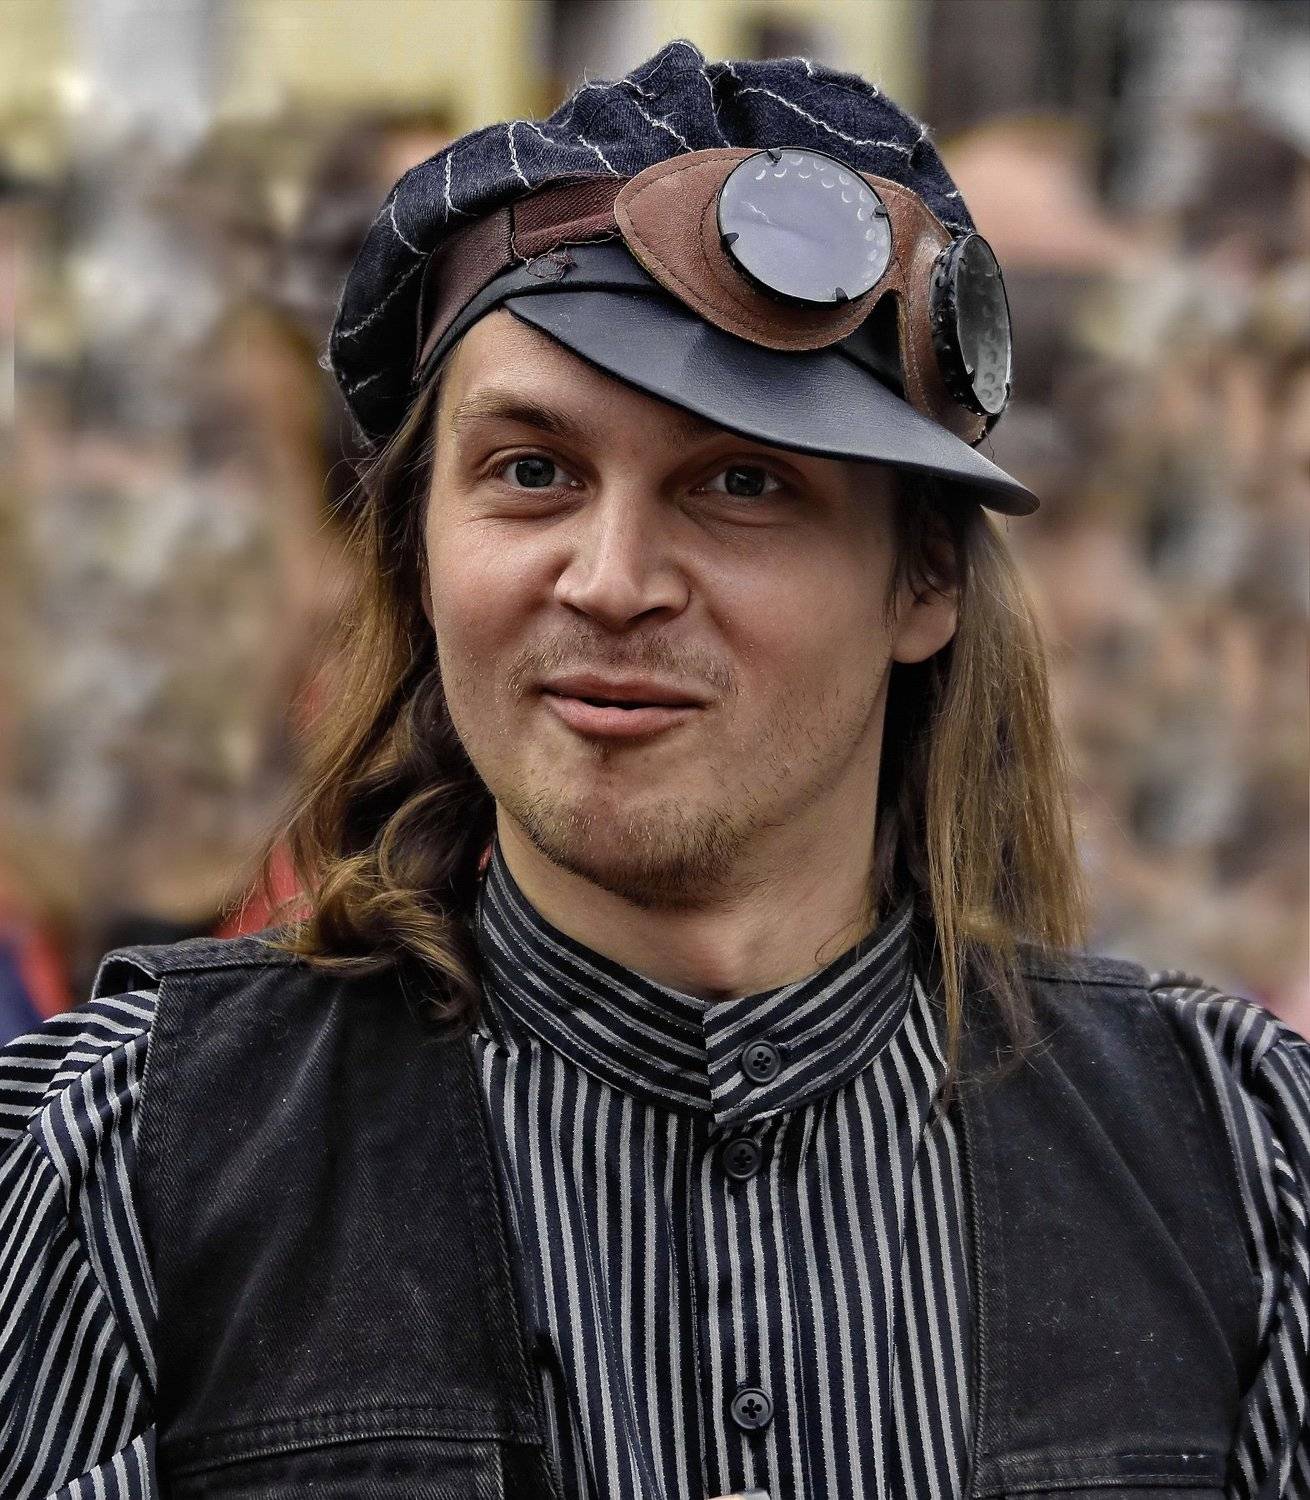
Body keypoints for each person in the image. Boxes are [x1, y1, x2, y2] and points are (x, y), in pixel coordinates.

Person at [2, 39, 1306, 1500]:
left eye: (741, 482)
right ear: (419, 548)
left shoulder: (1234, 1170)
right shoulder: (129, 1165)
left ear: (925, 576)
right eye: (532, 472)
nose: (612, 580)